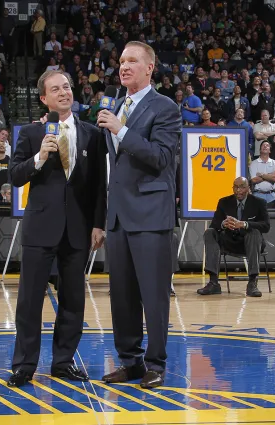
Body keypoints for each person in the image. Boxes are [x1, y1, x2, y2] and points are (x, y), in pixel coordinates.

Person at [7, 69, 107, 388]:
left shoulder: (92, 133)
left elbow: (97, 186)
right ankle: (24, 365)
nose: (64, 92)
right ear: (43, 98)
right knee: (30, 301)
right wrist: (40, 157)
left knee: (74, 300)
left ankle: (63, 362)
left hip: (78, 229)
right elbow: (15, 175)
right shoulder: (31, 134)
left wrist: (98, 224)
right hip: (40, 227)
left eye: (67, 86)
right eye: (56, 89)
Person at [96, 41, 181, 389]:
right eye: (121, 61)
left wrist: (121, 130)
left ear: (150, 68)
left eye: (132, 61)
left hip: (150, 214)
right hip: (118, 216)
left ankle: (156, 364)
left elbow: (161, 157)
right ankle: (130, 362)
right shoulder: (116, 105)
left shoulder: (166, 107)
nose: (124, 66)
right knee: (123, 296)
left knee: (153, 295)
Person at [196, 177, 270, 296]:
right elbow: (214, 224)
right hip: (230, 241)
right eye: (235, 187)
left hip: (250, 243)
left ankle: (252, 282)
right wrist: (223, 224)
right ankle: (213, 282)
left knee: (254, 233)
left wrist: (245, 224)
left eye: (241, 187)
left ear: (248, 188)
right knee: (209, 232)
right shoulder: (224, 202)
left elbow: (266, 226)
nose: (238, 190)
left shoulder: (259, 203)